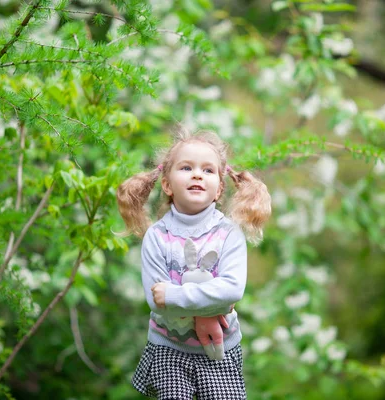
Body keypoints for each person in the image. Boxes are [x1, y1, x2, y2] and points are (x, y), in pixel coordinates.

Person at [116, 127, 271, 399]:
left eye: (208, 170)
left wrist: (185, 300)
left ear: (219, 189)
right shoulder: (157, 236)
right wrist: (210, 303)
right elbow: (156, 300)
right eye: (186, 168)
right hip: (169, 347)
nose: (198, 174)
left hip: (219, 348)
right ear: (167, 184)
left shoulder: (228, 234)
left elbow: (232, 290)